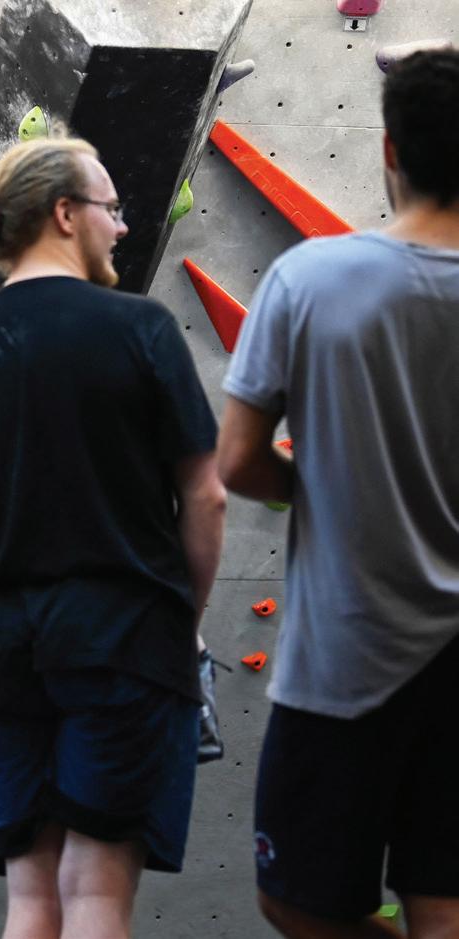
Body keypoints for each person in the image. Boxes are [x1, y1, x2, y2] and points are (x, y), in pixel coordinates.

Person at [0, 135, 226, 939]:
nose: (120, 227)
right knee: (94, 895)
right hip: (122, 638)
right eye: (110, 208)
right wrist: (179, 624)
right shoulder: (139, 329)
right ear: (64, 213)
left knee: (31, 901)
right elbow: (206, 496)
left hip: (1, 653)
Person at [218, 49, 459, 939]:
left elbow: (238, 461)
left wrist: (313, 488)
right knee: (444, 901)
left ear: (389, 150)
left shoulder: (309, 280)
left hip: (348, 656)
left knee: (299, 901)